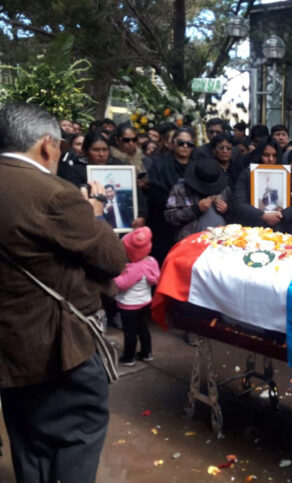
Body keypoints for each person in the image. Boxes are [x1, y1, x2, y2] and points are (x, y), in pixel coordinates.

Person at [0, 102, 127, 483]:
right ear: (46, 145)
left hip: (9, 347)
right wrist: (96, 212)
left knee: (29, 443)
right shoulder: (55, 194)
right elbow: (112, 259)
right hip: (56, 348)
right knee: (77, 434)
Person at [146, 127, 196, 263]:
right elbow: (154, 195)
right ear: (173, 143)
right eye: (181, 143)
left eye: (189, 144)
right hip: (164, 222)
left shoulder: (198, 165)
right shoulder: (159, 164)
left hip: (192, 222)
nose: (185, 146)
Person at [113, 227, 160, 366]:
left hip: (129, 306)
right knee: (143, 328)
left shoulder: (135, 268)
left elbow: (122, 284)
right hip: (144, 302)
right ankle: (146, 353)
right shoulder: (151, 261)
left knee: (130, 333)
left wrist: (115, 274)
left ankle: (128, 358)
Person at [165, 156, 235, 240]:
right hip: (191, 241)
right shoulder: (180, 189)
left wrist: (226, 210)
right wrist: (196, 209)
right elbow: (171, 217)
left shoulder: (224, 189)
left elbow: (235, 215)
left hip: (220, 240)